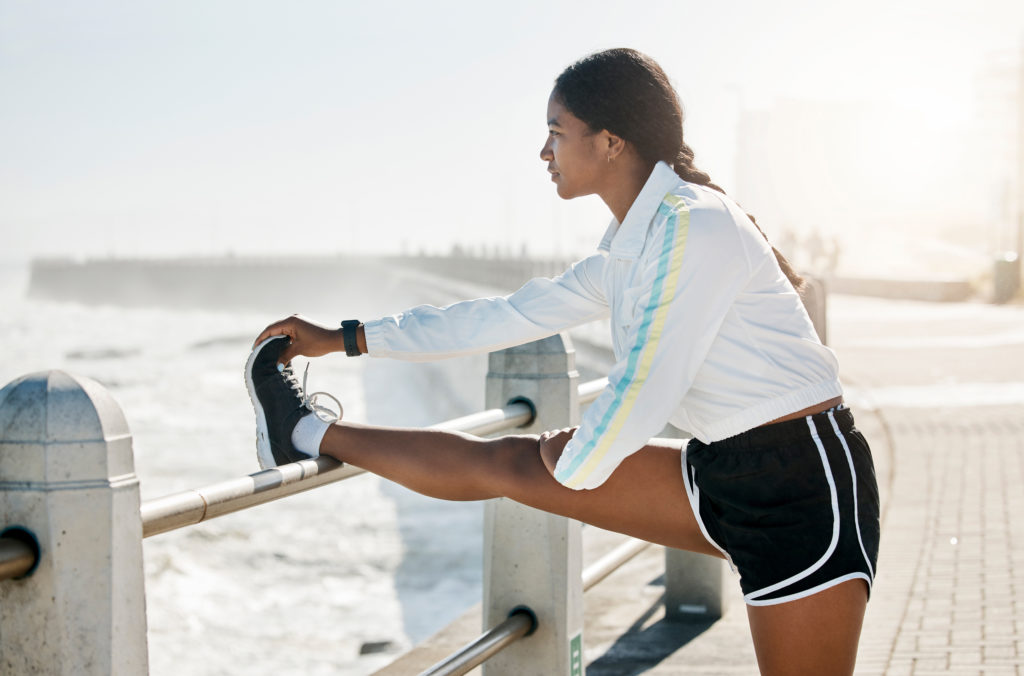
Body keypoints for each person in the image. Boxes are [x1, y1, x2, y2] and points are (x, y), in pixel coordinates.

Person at [246, 48, 879, 676]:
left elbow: (645, 389)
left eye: (555, 132)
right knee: (507, 461)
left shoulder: (696, 227)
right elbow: (504, 316)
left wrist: (570, 459)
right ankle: (301, 431)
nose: (543, 152)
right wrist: (344, 338)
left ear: (610, 142)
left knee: (536, 461)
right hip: (719, 469)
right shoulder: (631, 250)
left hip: (802, 483)